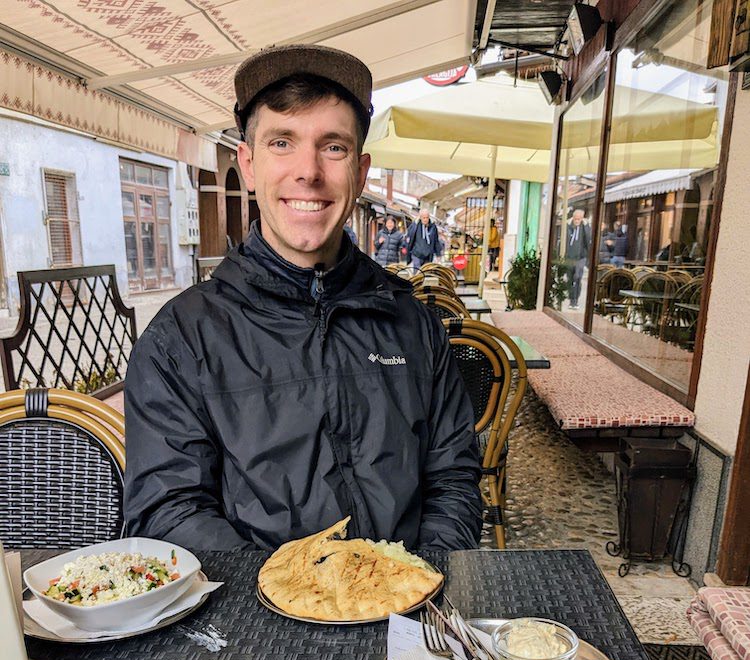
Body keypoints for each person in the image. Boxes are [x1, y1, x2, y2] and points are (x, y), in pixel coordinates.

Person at [123, 43, 482, 552]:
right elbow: (169, 510)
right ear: (248, 164)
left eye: (332, 147)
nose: (308, 172)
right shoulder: (180, 339)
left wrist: (418, 580)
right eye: (282, 143)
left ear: (360, 171)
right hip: (250, 620)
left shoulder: (413, 324)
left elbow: (453, 481)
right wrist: (289, 595)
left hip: (406, 607)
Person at [563, 209, 590, 309]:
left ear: (582, 219)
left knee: (577, 277)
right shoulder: (568, 226)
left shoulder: (585, 227)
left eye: (579, 219)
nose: (577, 221)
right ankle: (571, 299)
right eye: (575, 219)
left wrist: (586, 226)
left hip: (580, 257)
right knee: (570, 278)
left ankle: (575, 300)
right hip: (569, 257)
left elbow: (588, 240)